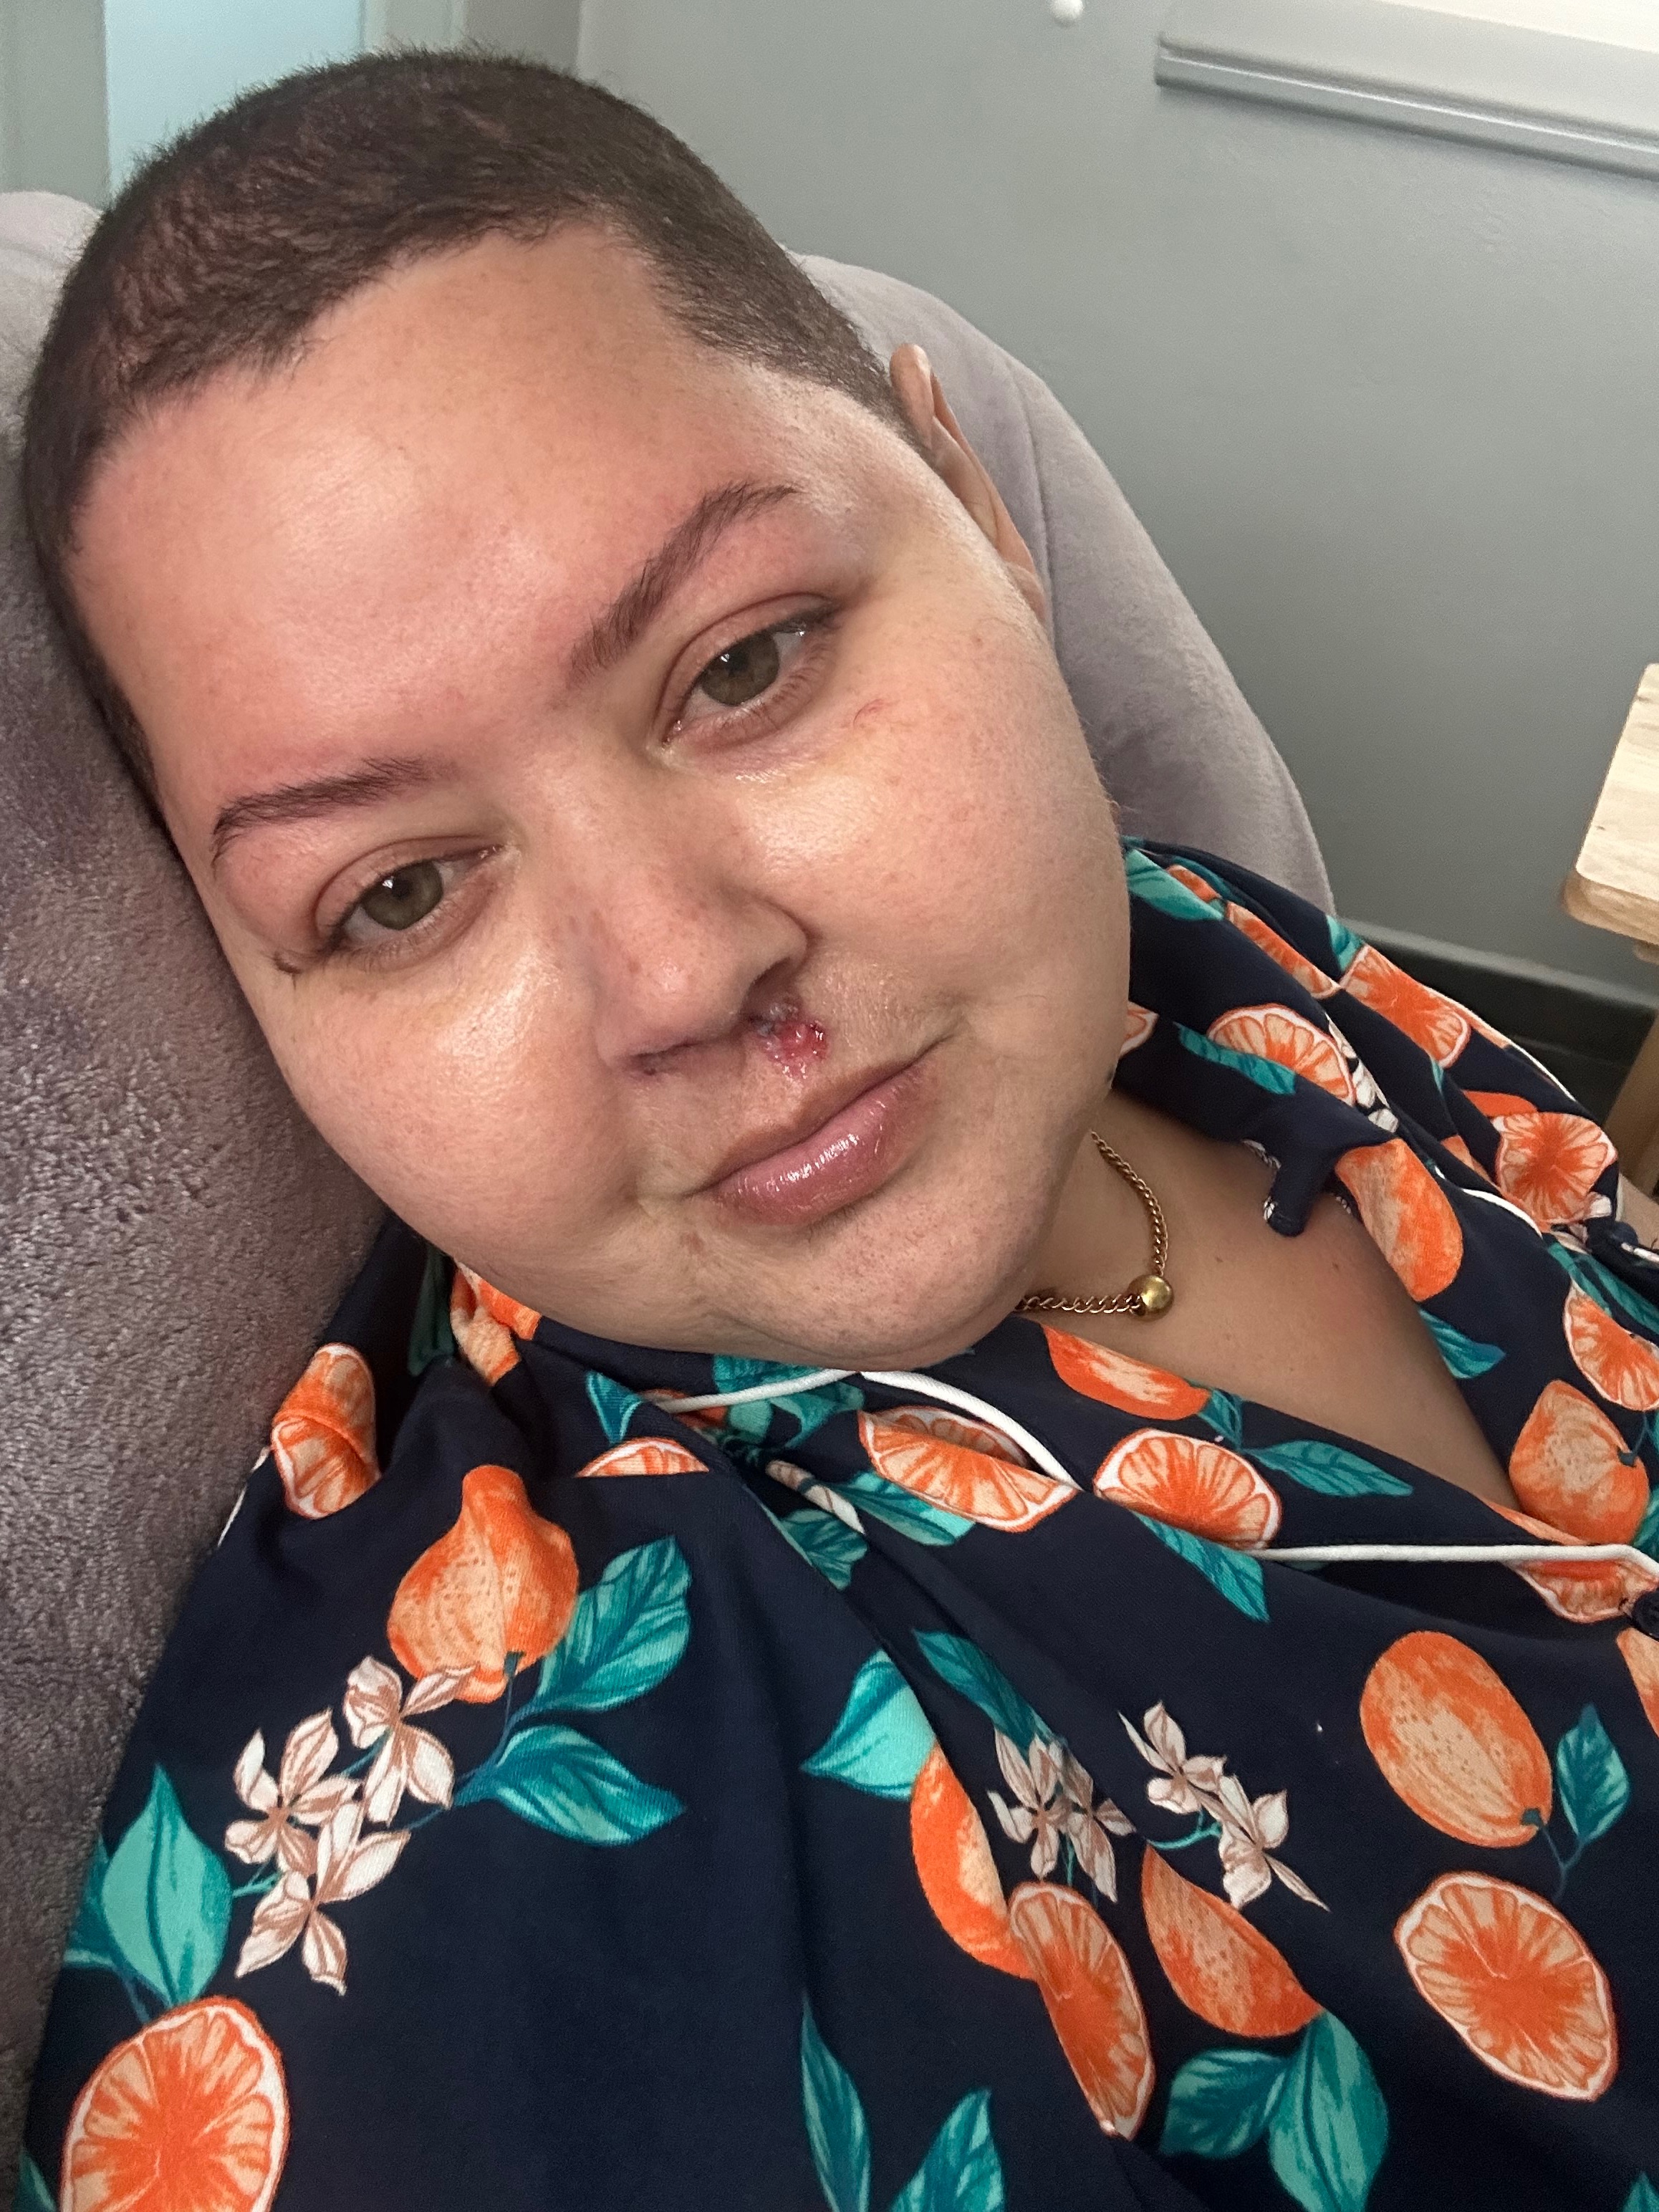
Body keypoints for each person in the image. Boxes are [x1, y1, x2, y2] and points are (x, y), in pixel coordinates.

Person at [17, 51, 1659, 2212]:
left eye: (746, 664)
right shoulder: (530, 1822)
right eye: (397, 894)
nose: (683, 973)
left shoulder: (1215, 964)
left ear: (979, 515)